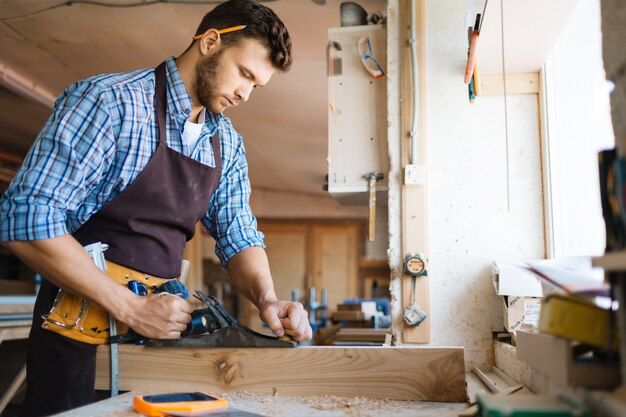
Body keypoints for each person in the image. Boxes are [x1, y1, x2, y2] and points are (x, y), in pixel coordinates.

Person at [0, 0, 312, 415]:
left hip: (157, 336)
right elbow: (25, 218)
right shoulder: (110, 103)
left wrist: (268, 300)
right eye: (244, 74)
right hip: (78, 336)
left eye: (257, 85)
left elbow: (238, 235)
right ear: (211, 42)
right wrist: (129, 306)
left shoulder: (228, 144)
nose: (245, 94)